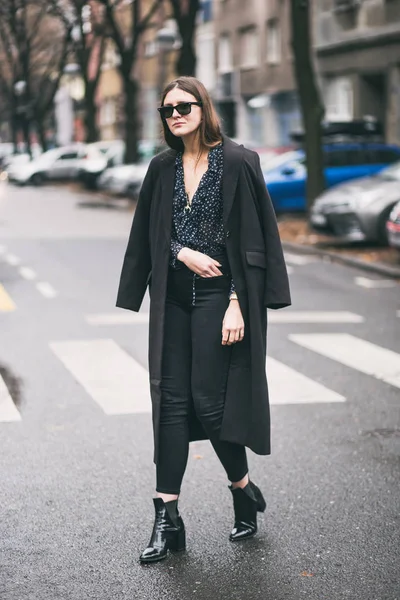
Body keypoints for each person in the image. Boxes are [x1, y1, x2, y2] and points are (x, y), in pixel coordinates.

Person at [116, 76, 291, 564]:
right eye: (167, 109)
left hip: (220, 296)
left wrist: (239, 300)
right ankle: (166, 516)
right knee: (170, 403)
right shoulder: (162, 167)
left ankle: (241, 488)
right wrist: (181, 252)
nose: (175, 115)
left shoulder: (237, 161)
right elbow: (151, 232)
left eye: (183, 106)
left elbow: (258, 237)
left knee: (209, 404)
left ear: (202, 107)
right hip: (173, 294)